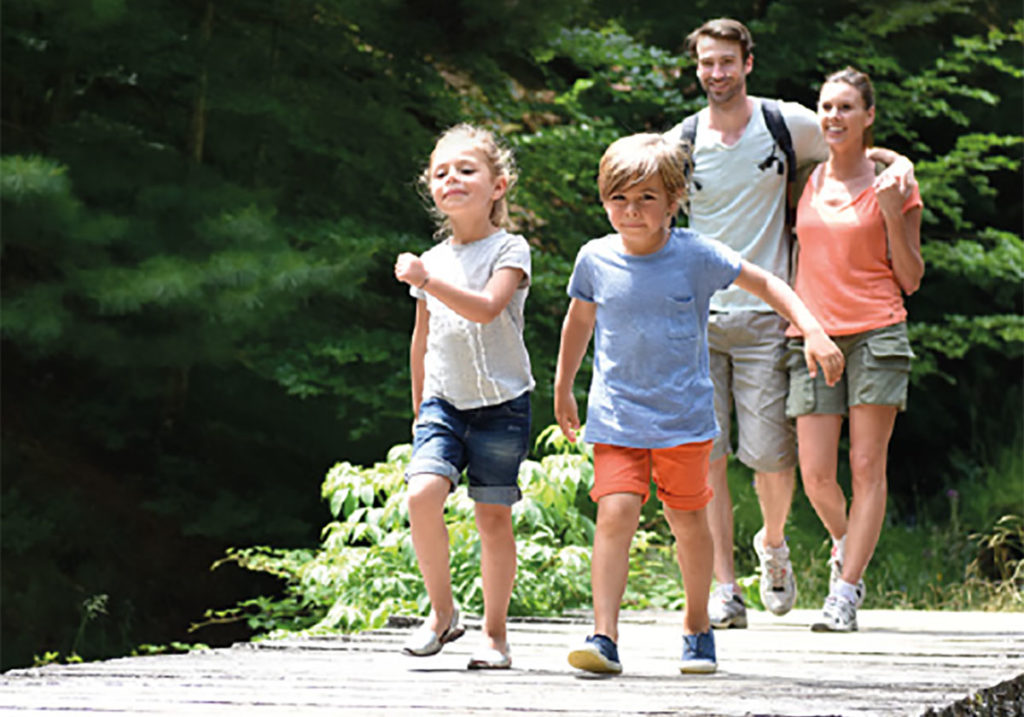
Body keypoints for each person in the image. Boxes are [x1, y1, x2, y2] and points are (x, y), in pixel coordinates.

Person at [554, 132, 844, 675]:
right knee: (615, 514)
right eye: (619, 198)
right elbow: (579, 321)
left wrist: (812, 330)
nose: (632, 210)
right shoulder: (594, 258)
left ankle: (696, 626)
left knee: (687, 522)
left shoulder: (694, 255)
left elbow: (766, 283)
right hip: (617, 417)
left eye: (646, 198)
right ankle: (604, 636)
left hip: (683, 420)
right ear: (604, 200)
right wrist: (563, 384)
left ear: (674, 200)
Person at [665, 18, 915, 629]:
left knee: (776, 462)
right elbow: (637, 193)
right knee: (717, 459)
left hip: (775, 317)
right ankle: (727, 588)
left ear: (747, 63)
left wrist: (900, 161)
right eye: (707, 62)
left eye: (727, 61)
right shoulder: (683, 140)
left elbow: (852, 147)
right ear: (696, 68)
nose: (717, 72)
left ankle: (791, 553)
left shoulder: (785, 124)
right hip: (708, 318)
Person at [786, 67, 924, 632]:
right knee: (816, 475)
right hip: (813, 335)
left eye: (846, 107)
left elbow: (911, 278)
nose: (834, 117)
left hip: (877, 331)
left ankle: (844, 592)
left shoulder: (896, 186)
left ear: (868, 115)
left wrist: (891, 209)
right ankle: (849, 545)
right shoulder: (804, 178)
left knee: (866, 466)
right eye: (827, 107)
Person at [393, 123, 534, 669]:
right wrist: (418, 407)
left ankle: (495, 636)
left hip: (502, 405)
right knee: (421, 495)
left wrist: (427, 281)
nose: (451, 178)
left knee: (492, 517)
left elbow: (487, 309)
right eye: (441, 172)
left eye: (466, 169)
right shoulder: (432, 259)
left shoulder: (510, 249)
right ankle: (443, 613)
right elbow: (422, 338)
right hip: (443, 404)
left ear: (497, 186)